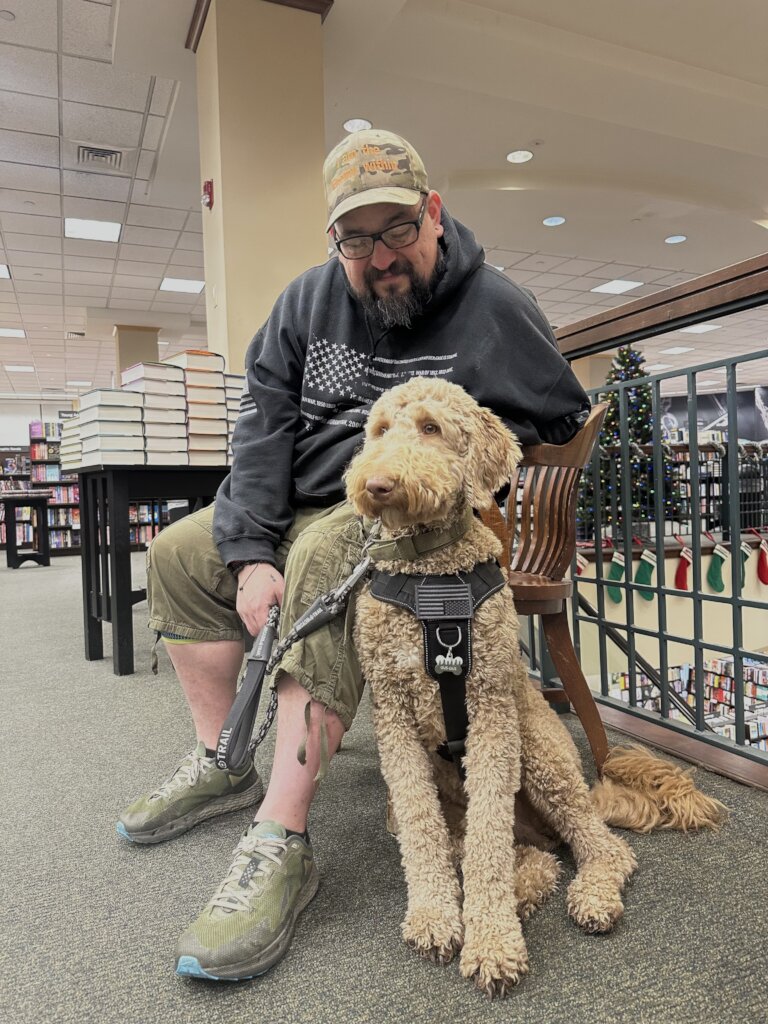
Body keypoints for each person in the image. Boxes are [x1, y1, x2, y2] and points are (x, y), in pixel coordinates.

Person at [117, 129, 590, 981]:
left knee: (328, 555)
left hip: (399, 528)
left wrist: (484, 477)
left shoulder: (497, 306)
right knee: (181, 552)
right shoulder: (304, 304)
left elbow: (561, 422)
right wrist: (249, 548)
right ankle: (222, 755)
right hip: (299, 497)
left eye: (397, 230)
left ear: (433, 214)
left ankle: (281, 835)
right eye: (356, 239)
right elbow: (261, 431)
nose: (381, 256)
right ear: (335, 243)